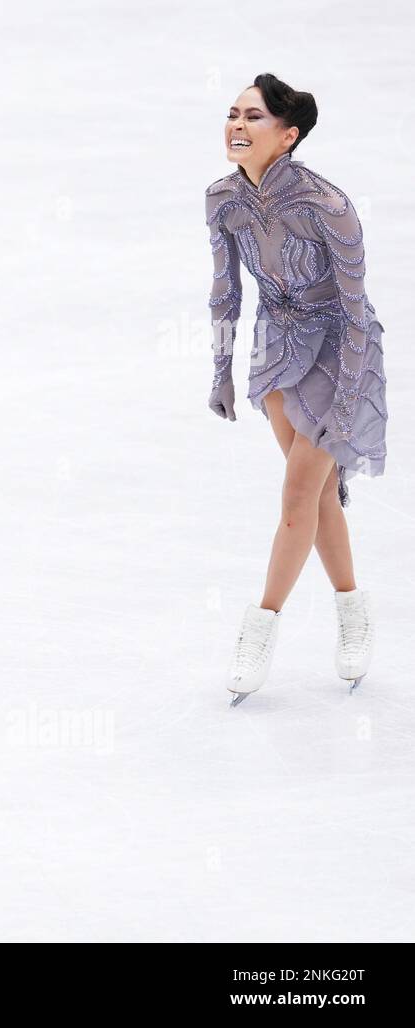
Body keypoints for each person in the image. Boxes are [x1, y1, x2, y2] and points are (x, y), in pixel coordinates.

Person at [205, 73, 383, 705]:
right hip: (277, 353)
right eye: (233, 114)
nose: (237, 126)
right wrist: (221, 370)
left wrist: (347, 399)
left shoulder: (327, 204)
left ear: (288, 135)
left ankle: (260, 627)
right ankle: (353, 613)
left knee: (298, 494)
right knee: (317, 500)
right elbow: (227, 293)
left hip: (340, 353)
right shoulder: (222, 199)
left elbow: (358, 312)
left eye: (252, 118)